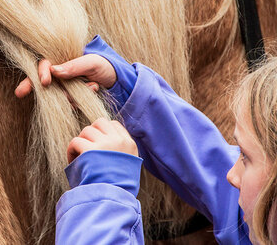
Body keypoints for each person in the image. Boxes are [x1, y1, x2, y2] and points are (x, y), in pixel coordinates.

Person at [15, 35, 276, 244]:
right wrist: (124, 88)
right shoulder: (262, 221)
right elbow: (212, 169)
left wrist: (107, 189)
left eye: (245, 157)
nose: (232, 174)